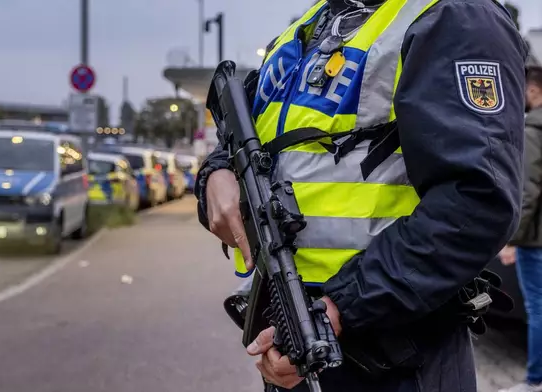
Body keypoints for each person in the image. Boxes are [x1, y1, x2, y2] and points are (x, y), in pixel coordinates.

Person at [195, 0, 527, 391]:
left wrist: (339, 308)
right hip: (298, 330)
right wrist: (215, 172)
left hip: (389, 352)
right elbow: (250, 135)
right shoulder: (314, 22)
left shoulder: (455, 17)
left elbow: (476, 203)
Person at [499, 66, 542, 392]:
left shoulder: (532, 129)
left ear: (533, 91)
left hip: (535, 240)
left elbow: (527, 191)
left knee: (537, 310)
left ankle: (533, 380)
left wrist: (512, 239)